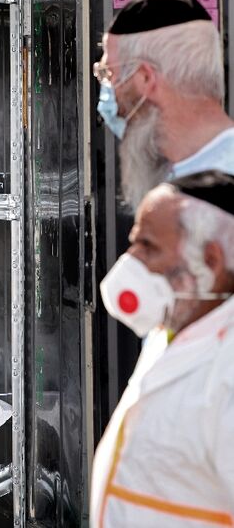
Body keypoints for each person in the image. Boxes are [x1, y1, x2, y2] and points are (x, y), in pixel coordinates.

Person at [91, 170, 234, 527]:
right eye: (134, 242)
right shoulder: (171, 331)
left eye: (149, 246)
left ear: (211, 262)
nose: (130, 260)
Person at [95, 0, 234, 210]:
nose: (109, 92)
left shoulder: (220, 189)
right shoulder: (172, 171)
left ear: (145, 77)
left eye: (109, 73)